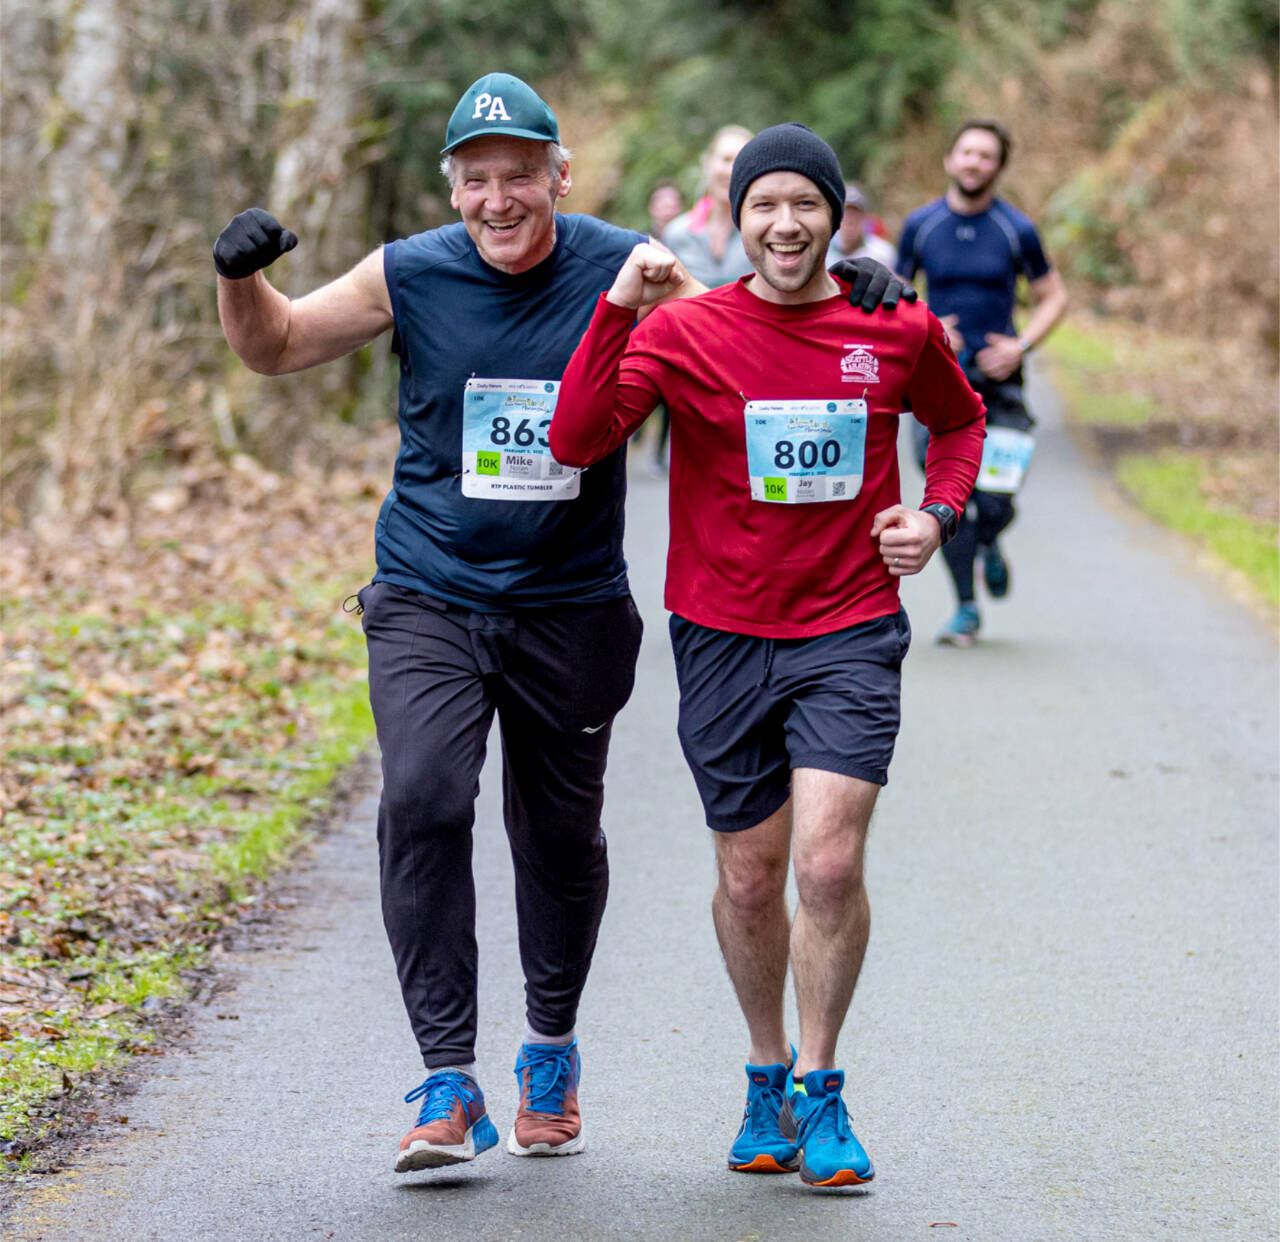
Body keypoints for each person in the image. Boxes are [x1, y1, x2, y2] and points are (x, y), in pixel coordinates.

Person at [212, 76, 915, 1177]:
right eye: (476, 180)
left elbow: (757, 319)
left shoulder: (621, 260)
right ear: (454, 190)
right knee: (426, 798)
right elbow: (278, 344)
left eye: (519, 173)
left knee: (555, 837)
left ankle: (548, 1047)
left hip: (570, 606)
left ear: (558, 174)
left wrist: (854, 290)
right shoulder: (409, 270)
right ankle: (447, 1076)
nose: (500, 199)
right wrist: (239, 277)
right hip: (429, 592)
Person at [550, 123, 985, 1188]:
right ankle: (763, 1074)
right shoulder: (686, 329)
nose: (783, 224)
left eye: (803, 203)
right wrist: (615, 308)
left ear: (834, 215)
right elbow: (575, 438)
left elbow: (960, 423)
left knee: (825, 864)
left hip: (846, 627)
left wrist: (933, 513)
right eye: (762, 206)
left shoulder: (893, 326)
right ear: (733, 219)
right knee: (748, 880)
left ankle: (825, 1089)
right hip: (720, 633)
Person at [896, 119, 1069, 645]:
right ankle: (966, 609)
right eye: (966, 152)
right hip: (938, 388)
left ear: (998, 167)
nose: (974, 162)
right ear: (950, 160)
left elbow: (1054, 297)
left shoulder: (1016, 230)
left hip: (1002, 388)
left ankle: (991, 541)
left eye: (986, 156)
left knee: (995, 501)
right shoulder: (921, 225)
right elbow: (898, 290)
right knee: (949, 503)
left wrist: (1022, 346)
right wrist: (922, 322)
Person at [660, 125, 756, 288]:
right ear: (707, 162)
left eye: (741, 161)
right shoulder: (677, 233)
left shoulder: (764, 233)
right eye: (726, 159)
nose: (732, 170)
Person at [826, 182, 897, 269]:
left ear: (865, 218)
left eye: (855, 214)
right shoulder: (824, 253)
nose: (850, 221)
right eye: (846, 214)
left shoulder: (882, 253)